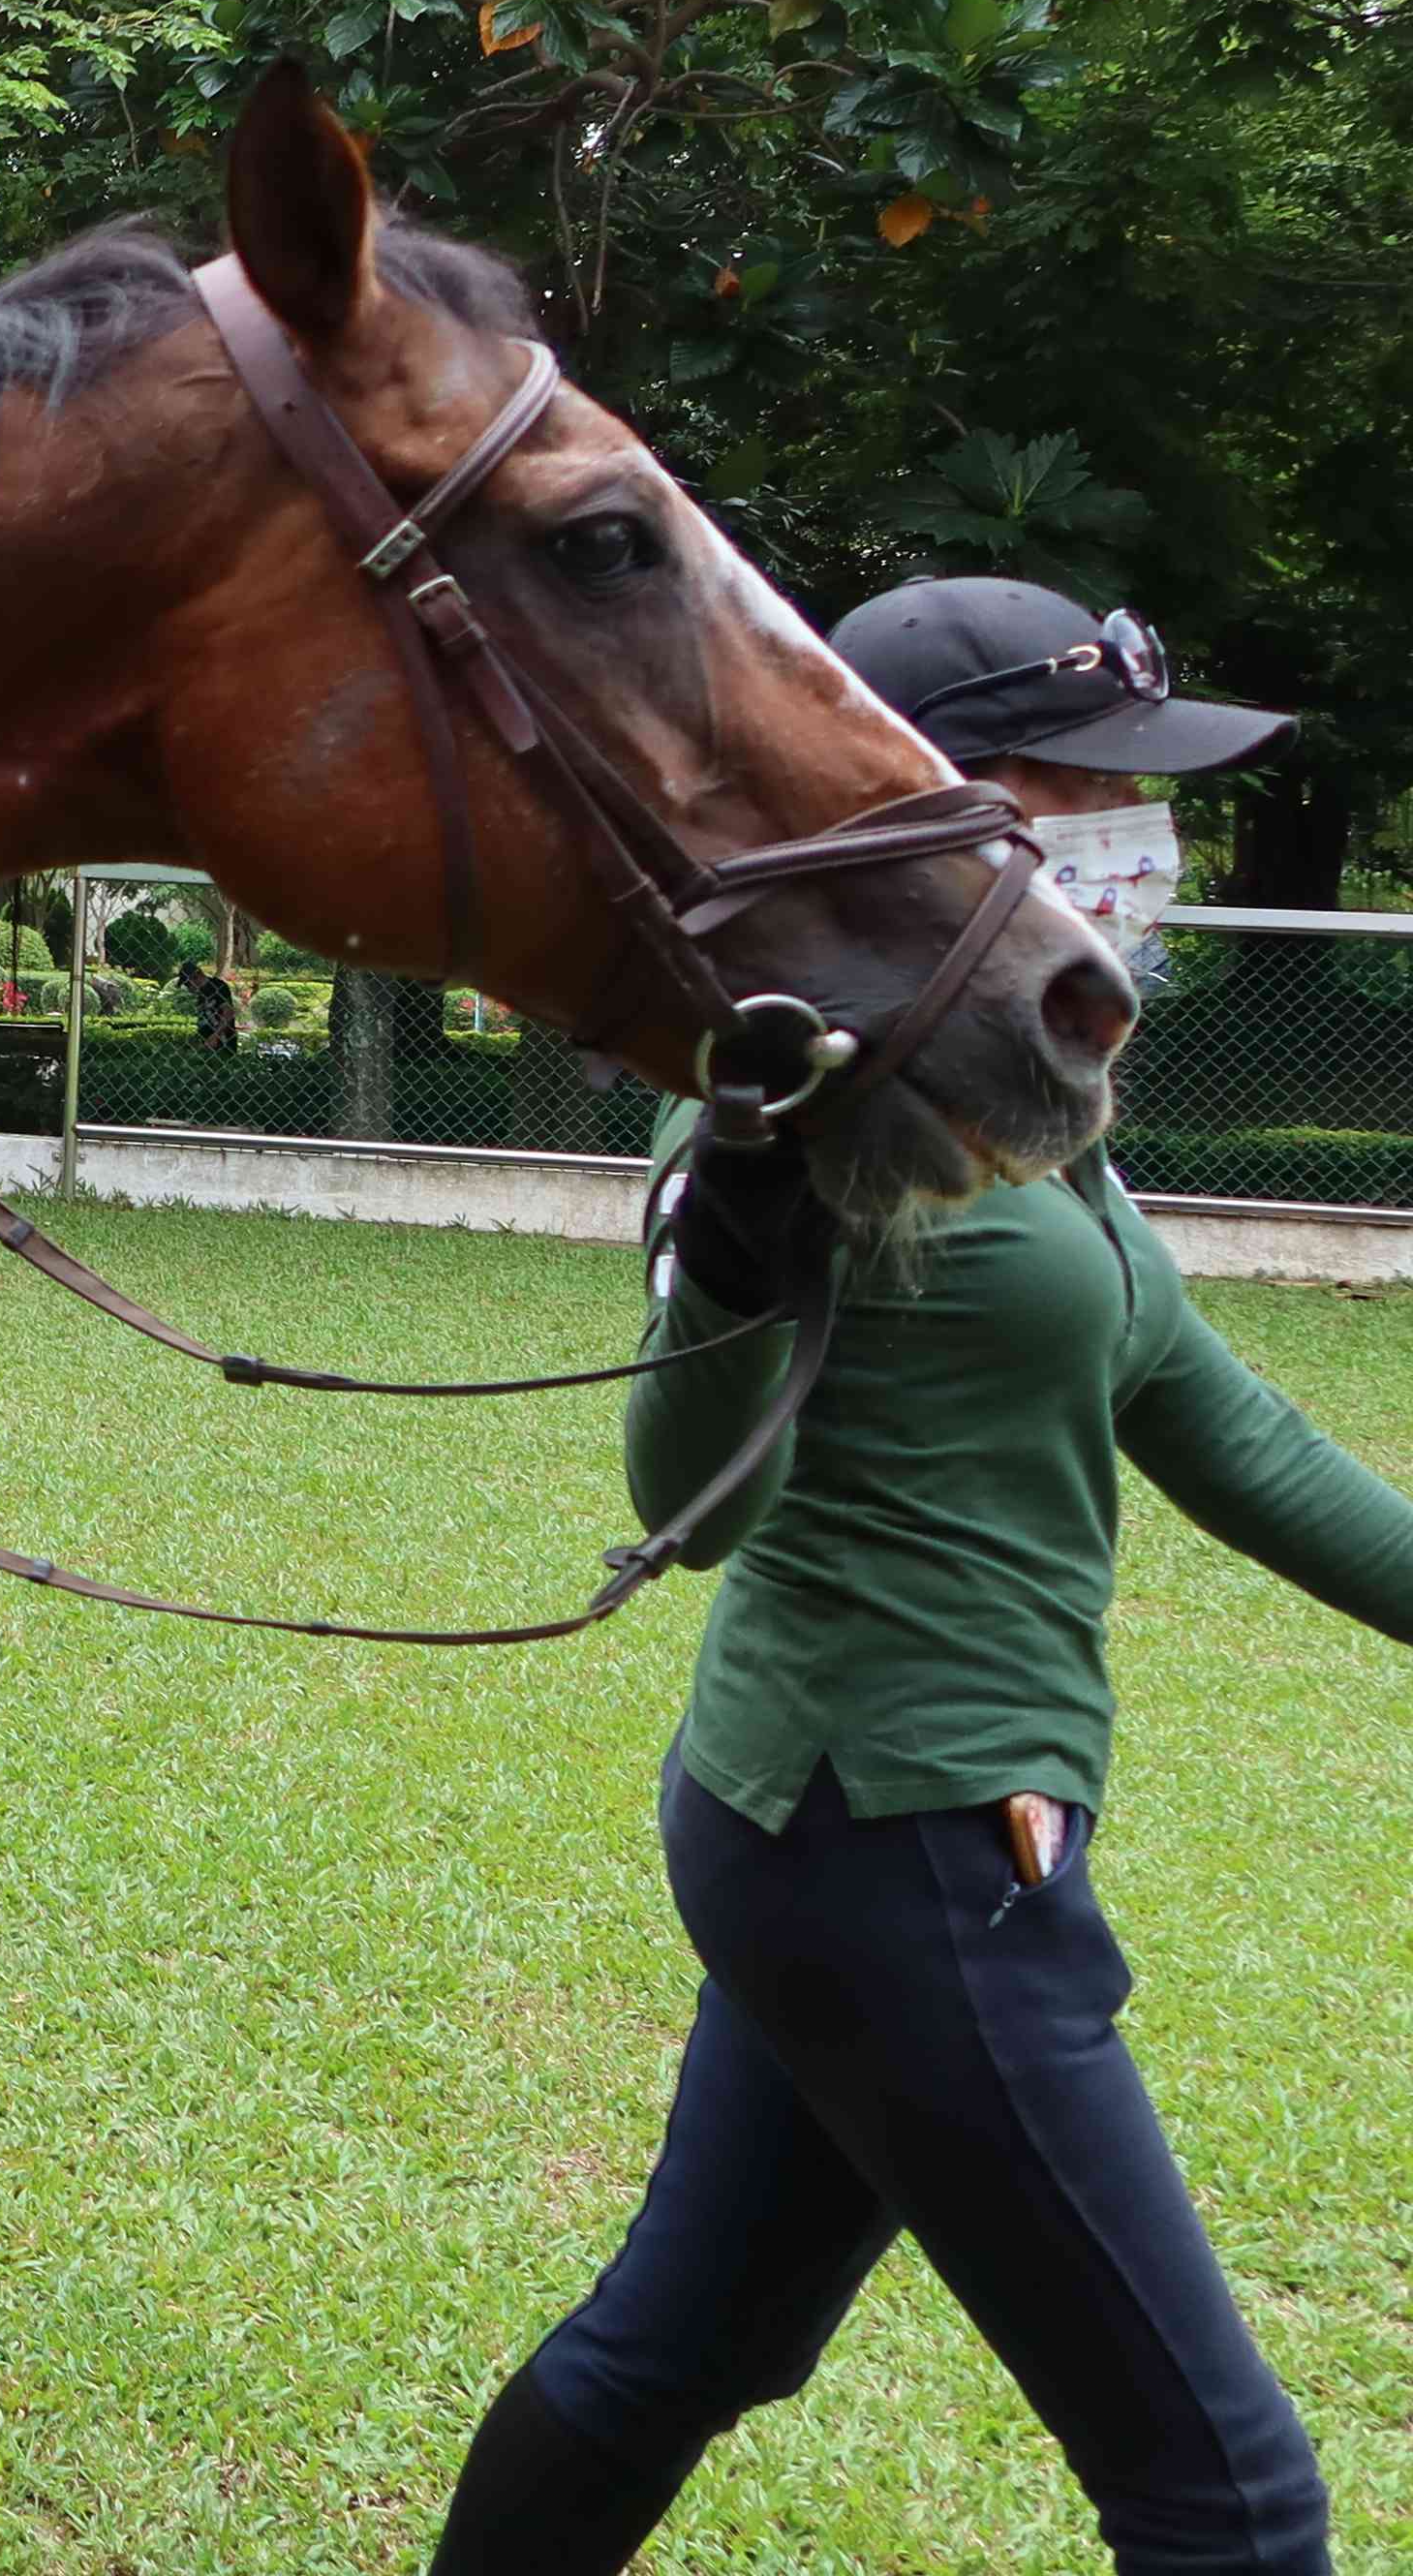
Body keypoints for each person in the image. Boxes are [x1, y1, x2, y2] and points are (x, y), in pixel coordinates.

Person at [423, 575, 1413, 2576]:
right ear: (920, 802)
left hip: (854, 1834)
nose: (1138, 843)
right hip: (900, 1843)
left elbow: (1222, 1426)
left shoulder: (1031, 1093)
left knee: (677, 2349)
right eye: (1081, 788)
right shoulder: (798, 1118)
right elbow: (686, 1505)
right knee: (1227, 2502)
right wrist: (738, 1225)